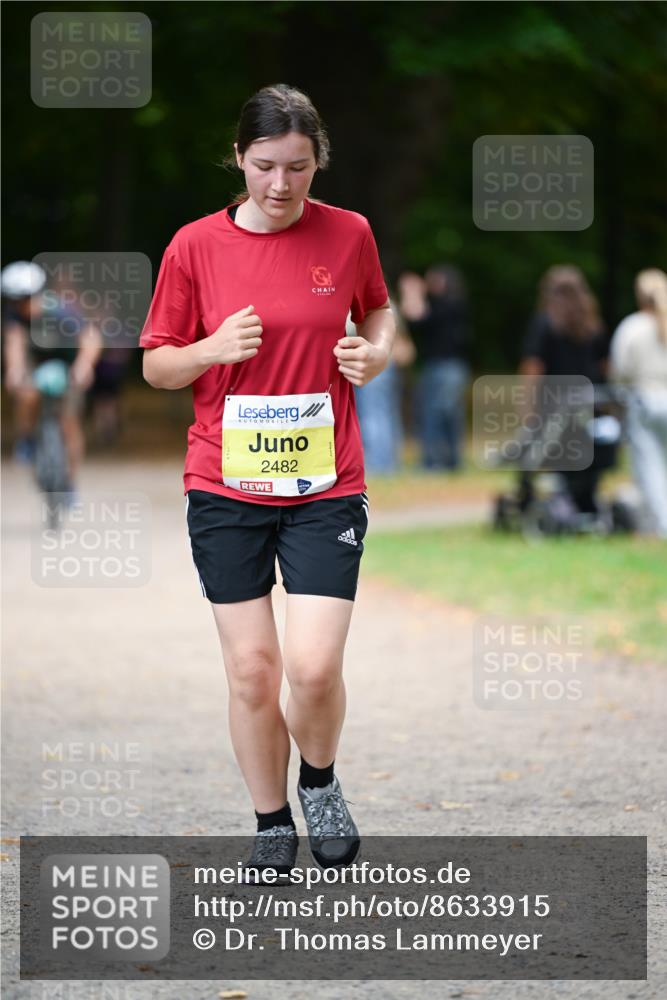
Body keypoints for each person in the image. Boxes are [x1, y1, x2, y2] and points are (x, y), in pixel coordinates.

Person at [140, 84, 395, 878]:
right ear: (238, 158)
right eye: (263, 167)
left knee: (313, 668)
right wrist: (211, 349)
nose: (281, 186)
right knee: (253, 670)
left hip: (324, 482)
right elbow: (155, 364)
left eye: (298, 168)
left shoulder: (348, 232)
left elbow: (379, 313)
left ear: (318, 161)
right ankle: (269, 819)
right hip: (225, 484)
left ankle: (317, 779)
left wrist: (375, 353)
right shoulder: (194, 246)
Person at [1, 260, 102, 491]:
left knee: (70, 423)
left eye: (23, 299)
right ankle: (26, 439)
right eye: (12, 300)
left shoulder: (60, 310)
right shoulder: (15, 315)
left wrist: (84, 365)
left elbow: (91, 338)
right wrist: (14, 370)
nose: (18, 305)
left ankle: (69, 482)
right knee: (26, 394)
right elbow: (14, 343)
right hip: (36, 364)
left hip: (69, 365)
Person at [518, 265, 608, 516]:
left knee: (538, 451)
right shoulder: (593, 326)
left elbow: (533, 367)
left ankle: (544, 500)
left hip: (554, 406)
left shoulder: (545, 323)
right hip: (589, 407)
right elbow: (604, 367)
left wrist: (527, 408)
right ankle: (582, 499)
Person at [610, 269, 667, 537]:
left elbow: (620, 371)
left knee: (650, 468)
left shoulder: (632, 327)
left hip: (646, 402)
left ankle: (660, 526)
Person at [398, 265, 471, 471]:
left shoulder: (450, 304)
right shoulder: (446, 304)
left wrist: (412, 291)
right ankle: (446, 461)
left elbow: (416, 315)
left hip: (446, 368)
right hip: (441, 367)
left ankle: (438, 462)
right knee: (440, 414)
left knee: (439, 414)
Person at [352, 298, 415, 474]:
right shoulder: (388, 302)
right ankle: (390, 462)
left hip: (372, 360)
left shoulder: (363, 299)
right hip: (387, 363)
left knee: (372, 415)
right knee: (387, 413)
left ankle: (379, 464)